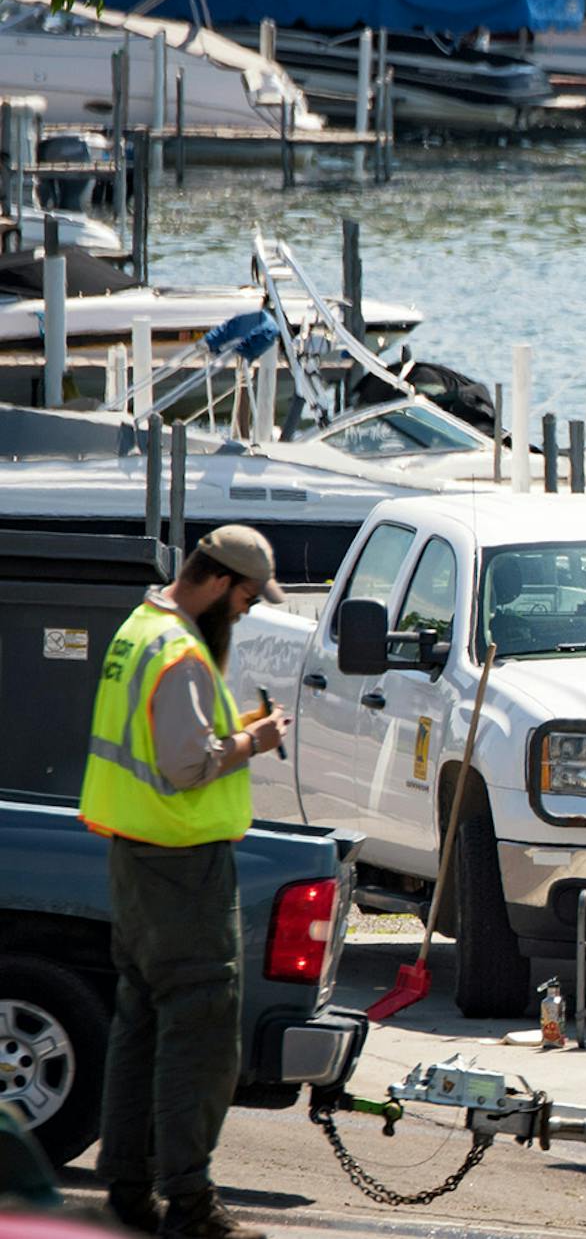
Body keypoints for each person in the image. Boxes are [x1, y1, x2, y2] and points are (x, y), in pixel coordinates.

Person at [79, 526, 292, 1239]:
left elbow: (160, 746)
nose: (246, 612)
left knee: (139, 1025)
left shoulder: (140, 629)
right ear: (221, 582)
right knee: (199, 1029)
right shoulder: (182, 655)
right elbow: (184, 762)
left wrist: (231, 735)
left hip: (134, 860)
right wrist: (255, 741)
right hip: (182, 866)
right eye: (246, 599)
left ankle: (129, 1189)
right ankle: (191, 1204)